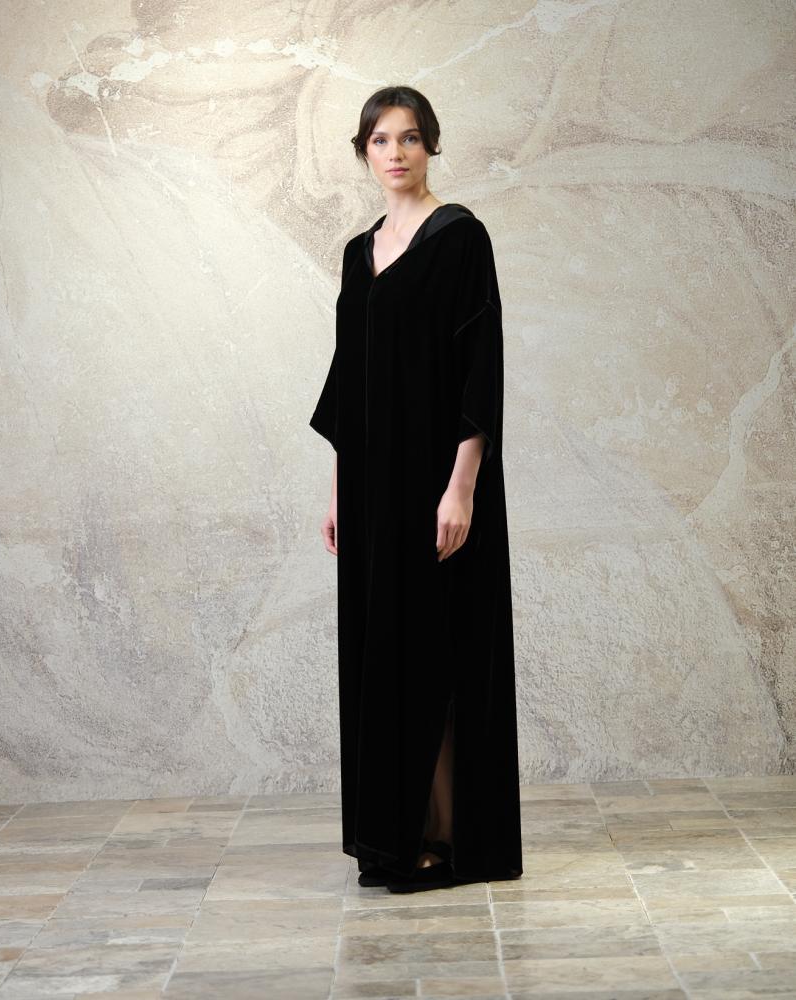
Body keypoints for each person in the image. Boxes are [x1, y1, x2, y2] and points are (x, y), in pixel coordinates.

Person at [309, 85, 522, 893]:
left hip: (437, 484)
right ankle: (393, 837)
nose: (394, 153)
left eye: (408, 138)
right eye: (379, 140)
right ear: (362, 153)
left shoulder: (459, 237)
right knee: (384, 653)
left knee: (436, 648)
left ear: (431, 145)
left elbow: (479, 371)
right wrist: (339, 493)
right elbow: (349, 383)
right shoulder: (356, 253)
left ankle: (447, 836)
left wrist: (460, 488)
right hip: (370, 492)